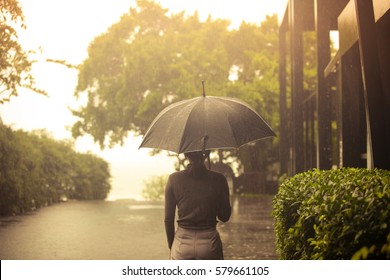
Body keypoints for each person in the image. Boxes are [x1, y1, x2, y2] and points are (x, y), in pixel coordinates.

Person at [164, 150, 231, 260]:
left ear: (186, 155)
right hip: (210, 245)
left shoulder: (173, 179)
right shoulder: (219, 179)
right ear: (207, 154)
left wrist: (172, 246)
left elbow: (168, 219)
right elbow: (224, 216)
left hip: (181, 244)